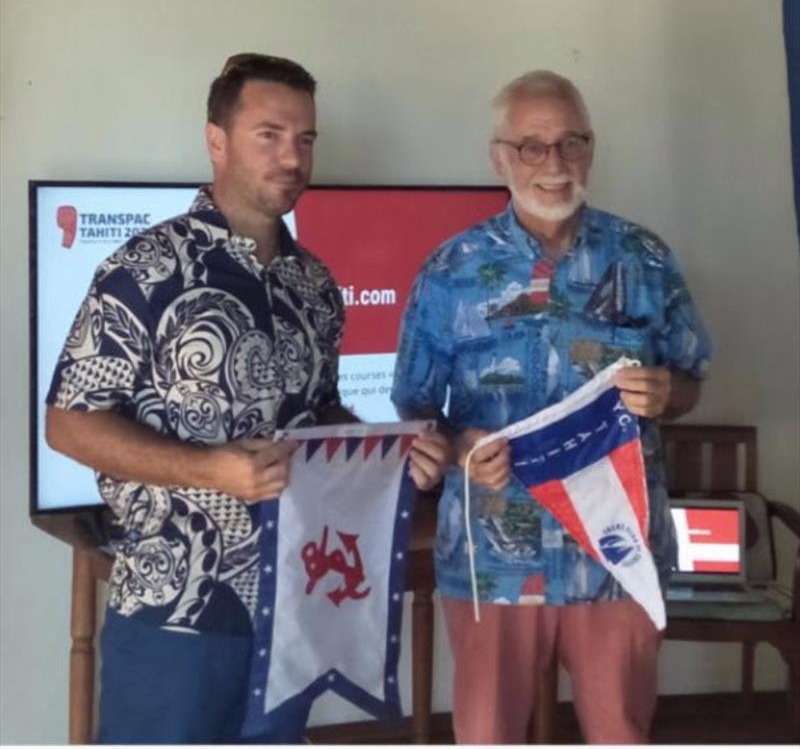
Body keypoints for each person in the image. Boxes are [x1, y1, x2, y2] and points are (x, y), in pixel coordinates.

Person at [46, 53, 449, 744]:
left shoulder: (315, 285)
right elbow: (68, 424)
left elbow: (320, 412)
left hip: (294, 606)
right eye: (270, 134)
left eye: (306, 139)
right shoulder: (143, 270)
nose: (292, 156)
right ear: (217, 140)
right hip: (175, 615)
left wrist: (387, 450)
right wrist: (211, 470)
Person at [392, 70, 712, 744]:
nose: (555, 164)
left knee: (622, 733)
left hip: (617, 555)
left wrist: (666, 392)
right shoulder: (450, 270)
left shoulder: (645, 259)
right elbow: (415, 410)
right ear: (499, 156)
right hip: (493, 561)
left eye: (572, 142)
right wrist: (460, 449)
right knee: (487, 736)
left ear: (591, 149)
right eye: (532, 146)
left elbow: (690, 377)